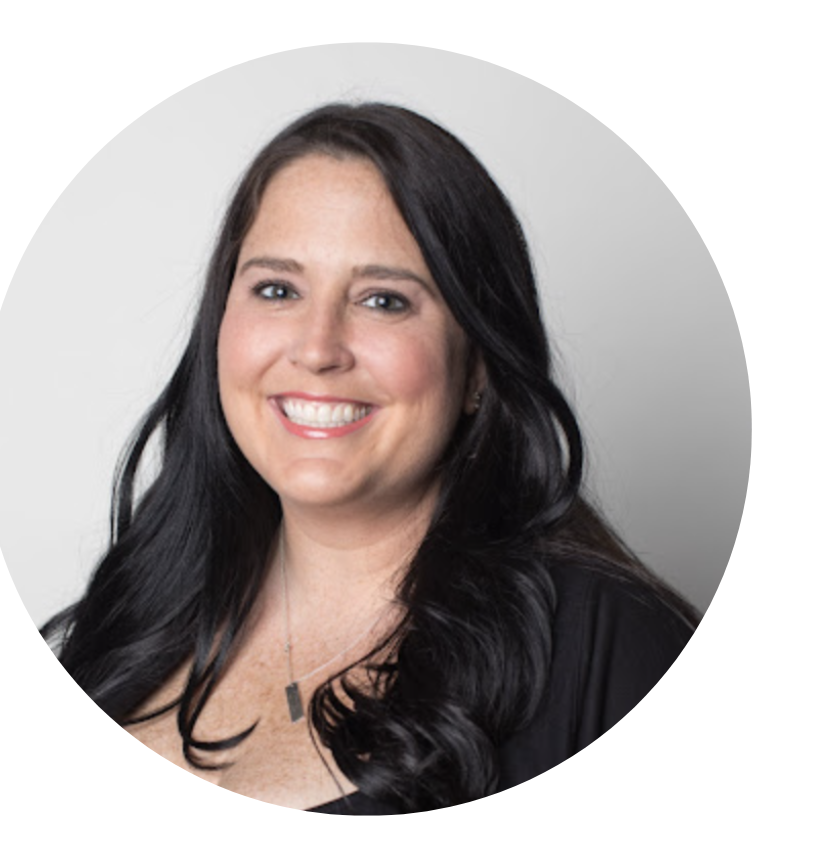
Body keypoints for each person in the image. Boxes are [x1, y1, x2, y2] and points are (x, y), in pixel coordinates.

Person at [42, 102, 699, 814]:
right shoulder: (122, 626)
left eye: (384, 300)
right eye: (276, 289)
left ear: (479, 365)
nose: (318, 347)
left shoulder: (611, 647)